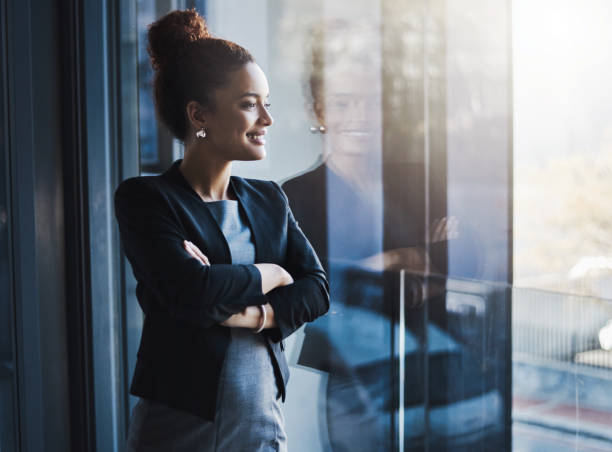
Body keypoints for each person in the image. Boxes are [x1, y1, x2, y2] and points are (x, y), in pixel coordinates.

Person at [114, 9, 329, 451]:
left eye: (267, 102)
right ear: (200, 115)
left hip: (262, 426)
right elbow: (188, 291)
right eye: (250, 104)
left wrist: (256, 314)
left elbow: (316, 290)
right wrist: (270, 273)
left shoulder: (269, 198)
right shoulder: (147, 198)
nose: (266, 119)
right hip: (177, 431)